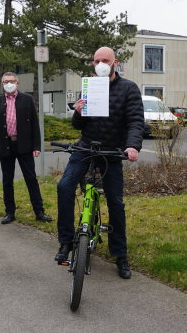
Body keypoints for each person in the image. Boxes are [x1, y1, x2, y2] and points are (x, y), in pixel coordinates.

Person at [54, 47, 144, 279]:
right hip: (85, 147)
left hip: (112, 151)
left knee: (115, 202)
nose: (101, 64)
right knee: (64, 187)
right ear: (92, 63)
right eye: (97, 61)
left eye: (105, 60)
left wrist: (132, 146)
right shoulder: (89, 86)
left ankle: (120, 254)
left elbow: (135, 121)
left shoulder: (128, 88)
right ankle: (66, 242)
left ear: (116, 62)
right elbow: (78, 126)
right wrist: (78, 112)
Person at [0, 72, 52, 224]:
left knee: (31, 179)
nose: (8, 84)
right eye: (5, 81)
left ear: (17, 83)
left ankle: (39, 211)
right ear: (2, 84)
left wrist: (37, 146)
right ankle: (9, 212)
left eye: (11, 81)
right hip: (5, 146)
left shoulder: (27, 99)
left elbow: (35, 125)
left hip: (24, 146)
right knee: (7, 181)